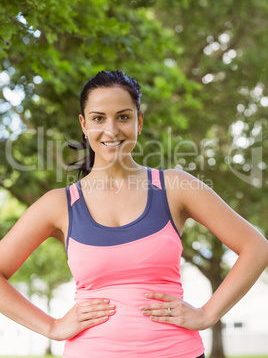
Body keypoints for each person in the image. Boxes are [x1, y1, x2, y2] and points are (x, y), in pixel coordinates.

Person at [0, 70, 267, 358]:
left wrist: (206, 315)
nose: (112, 130)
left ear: (139, 121)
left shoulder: (176, 187)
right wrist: (51, 327)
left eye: (123, 117)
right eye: (99, 118)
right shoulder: (59, 205)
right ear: (84, 124)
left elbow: (257, 248)